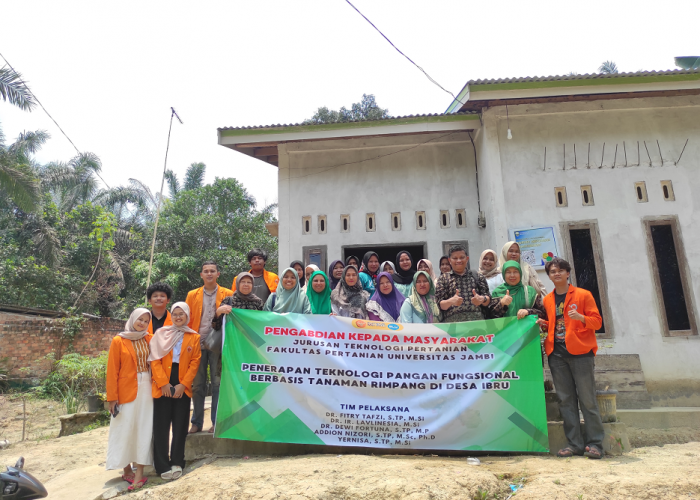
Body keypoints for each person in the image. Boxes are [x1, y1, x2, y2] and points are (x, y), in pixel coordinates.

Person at [539, 257, 604, 460]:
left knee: (587, 400)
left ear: (568, 273)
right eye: (552, 271)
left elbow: (597, 322)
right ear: (548, 276)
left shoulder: (584, 295)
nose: (556, 274)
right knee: (566, 401)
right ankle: (574, 444)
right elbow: (553, 323)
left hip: (581, 353)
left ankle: (595, 444)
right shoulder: (548, 300)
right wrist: (543, 323)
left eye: (560, 270)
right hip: (557, 354)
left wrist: (581, 318)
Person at [150, 303, 201, 481]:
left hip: (182, 382)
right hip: (162, 380)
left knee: (180, 425)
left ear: (187, 316)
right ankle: (162, 464)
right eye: (175, 314)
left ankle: (177, 461)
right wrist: (163, 383)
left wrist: (184, 384)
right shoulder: (161, 333)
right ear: (171, 315)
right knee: (161, 426)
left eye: (182, 314)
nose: (178, 317)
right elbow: (154, 358)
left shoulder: (193, 337)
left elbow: (195, 362)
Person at [105, 308, 153, 491]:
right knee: (124, 427)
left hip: (147, 386)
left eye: (146, 321)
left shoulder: (149, 338)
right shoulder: (119, 340)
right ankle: (126, 468)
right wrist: (112, 398)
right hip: (125, 390)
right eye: (139, 319)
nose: (142, 323)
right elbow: (112, 370)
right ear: (132, 319)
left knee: (143, 426)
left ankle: (139, 472)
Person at [185, 261, 232, 435]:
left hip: (218, 345)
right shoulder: (192, 295)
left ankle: (216, 422)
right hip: (196, 344)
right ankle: (196, 422)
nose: (209, 273)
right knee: (197, 385)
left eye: (213, 271)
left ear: (218, 274)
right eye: (206, 271)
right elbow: (187, 319)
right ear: (201, 275)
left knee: (217, 384)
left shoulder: (227, 293)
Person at [435, 245, 505, 322]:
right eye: (455, 258)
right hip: (453, 329)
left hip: (477, 327)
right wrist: (451, 301)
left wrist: (482, 299)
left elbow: (488, 300)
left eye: (462, 257)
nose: (459, 260)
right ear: (450, 260)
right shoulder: (443, 279)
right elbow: (440, 305)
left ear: (467, 259)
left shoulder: (477, 276)